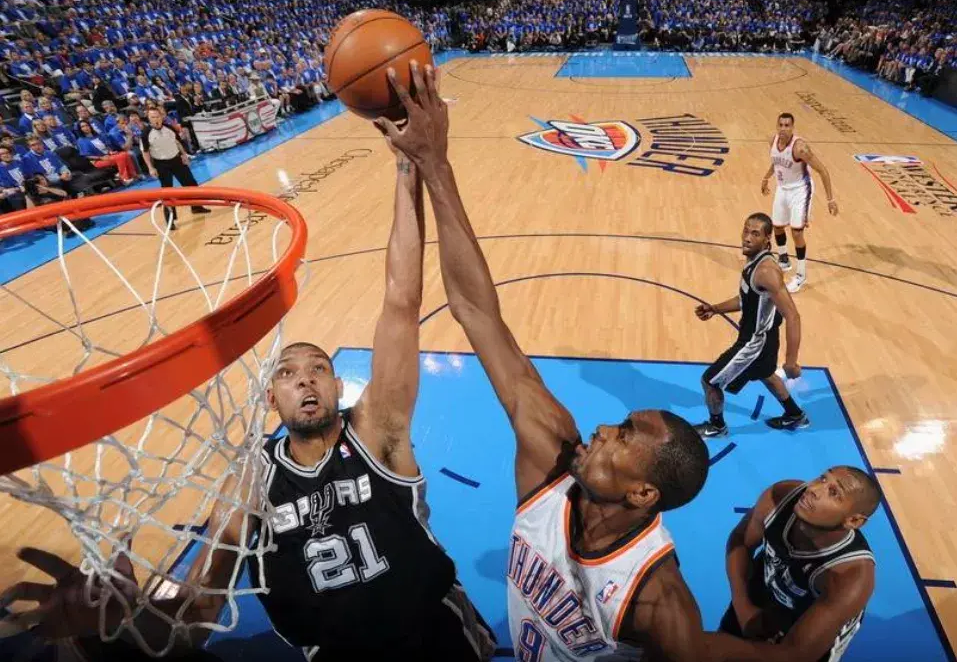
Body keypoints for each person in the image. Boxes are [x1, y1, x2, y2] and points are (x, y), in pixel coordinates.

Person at [1, 143, 496, 662]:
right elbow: (194, 618)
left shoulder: (376, 432)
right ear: (269, 399)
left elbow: (401, 301)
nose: (305, 381)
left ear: (336, 387)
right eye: (287, 373)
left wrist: (406, 165)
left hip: (435, 634)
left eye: (318, 369)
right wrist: (117, 621)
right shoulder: (251, 479)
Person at [377, 61, 711, 661]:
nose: (602, 428)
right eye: (620, 422)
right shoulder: (551, 460)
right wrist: (433, 165)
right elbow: (477, 313)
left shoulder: (660, 603)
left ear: (643, 494)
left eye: (624, 436)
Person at [717, 467, 879, 661]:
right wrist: (743, 607)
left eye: (833, 492)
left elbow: (795, 655)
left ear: (853, 520)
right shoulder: (780, 497)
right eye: (822, 478)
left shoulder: (851, 575)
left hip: (809, 624)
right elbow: (741, 541)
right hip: (765, 587)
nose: (814, 489)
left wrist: (707, 646)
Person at [693, 213, 805, 437]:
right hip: (766, 336)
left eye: (755, 234)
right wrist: (715, 308)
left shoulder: (766, 272)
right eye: (746, 231)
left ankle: (717, 426)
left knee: (710, 381)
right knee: (766, 374)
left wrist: (791, 362)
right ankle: (795, 414)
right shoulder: (755, 262)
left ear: (767, 239)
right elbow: (746, 299)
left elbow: (793, 316)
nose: (747, 238)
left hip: (755, 342)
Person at [761, 113, 838, 294]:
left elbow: (823, 171)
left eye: (787, 125)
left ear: (792, 127)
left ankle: (801, 275)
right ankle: (784, 260)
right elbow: (777, 163)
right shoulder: (772, 141)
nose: (783, 128)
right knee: (777, 226)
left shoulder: (801, 148)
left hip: (800, 190)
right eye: (781, 125)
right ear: (777, 126)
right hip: (783, 188)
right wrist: (765, 178)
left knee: (796, 232)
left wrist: (830, 199)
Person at [140, 106, 210, 229]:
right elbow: (145, 152)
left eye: (157, 116)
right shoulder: (145, 133)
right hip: (161, 164)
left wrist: (184, 155)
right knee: (167, 192)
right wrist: (150, 167)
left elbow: (177, 142)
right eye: (152, 117)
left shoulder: (169, 128)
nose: (156, 119)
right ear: (149, 118)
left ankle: (196, 207)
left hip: (176, 160)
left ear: (161, 117)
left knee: (190, 183)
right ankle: (170, 221)